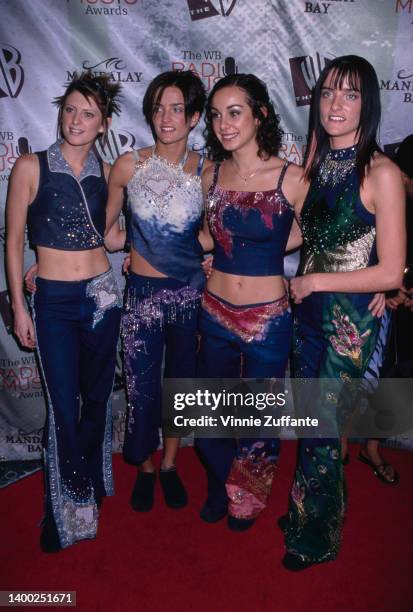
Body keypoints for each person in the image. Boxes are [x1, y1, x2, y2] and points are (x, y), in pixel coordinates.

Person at [283, 55, 405, 570]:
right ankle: (306, 509)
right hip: (307, 319)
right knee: (310, 418)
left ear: (368, 104)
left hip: (349, 322)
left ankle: (318, 536)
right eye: (329, 92)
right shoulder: (315, 164)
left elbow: (391, 273)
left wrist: (314, 280)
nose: (336, 104)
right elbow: (298, 237)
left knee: (326, 428)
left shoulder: (382, 172)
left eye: (350, 94)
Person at [6, 72, 124, 552]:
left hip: (102, 295)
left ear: (104, 123)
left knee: (97, 400)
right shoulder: (31, 166)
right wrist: (19, 303)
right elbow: (13, 241)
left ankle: (89, 488)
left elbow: (112, 236)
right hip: (52, 299)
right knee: (63, 408)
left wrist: (166, 249)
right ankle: (64, 506)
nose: (76, 120)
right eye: (71, 109)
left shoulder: (111, 171)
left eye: (88, 114)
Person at [196, 74, 307, 531]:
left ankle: (248, 496)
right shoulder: (210, 174)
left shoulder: (293, 177)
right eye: (217, 115)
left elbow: (314, 237)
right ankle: (223, 482)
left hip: (267, 320)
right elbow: (204, 236)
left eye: (235, 112)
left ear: (260, 113)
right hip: (214, 312)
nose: (224, 124)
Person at [105, 71, 211, 512]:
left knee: (179, 385)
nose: (165, 117)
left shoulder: (208, 170)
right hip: (143, 295)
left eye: (176, 108)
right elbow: (107, 232)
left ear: (195, 117)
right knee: (142, 387)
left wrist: (187, 250)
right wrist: (137, 243)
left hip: (189, 294)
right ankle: (145, 467)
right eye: (158, 108)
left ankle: (169, 464)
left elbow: (211, 235)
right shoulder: (129, 164)